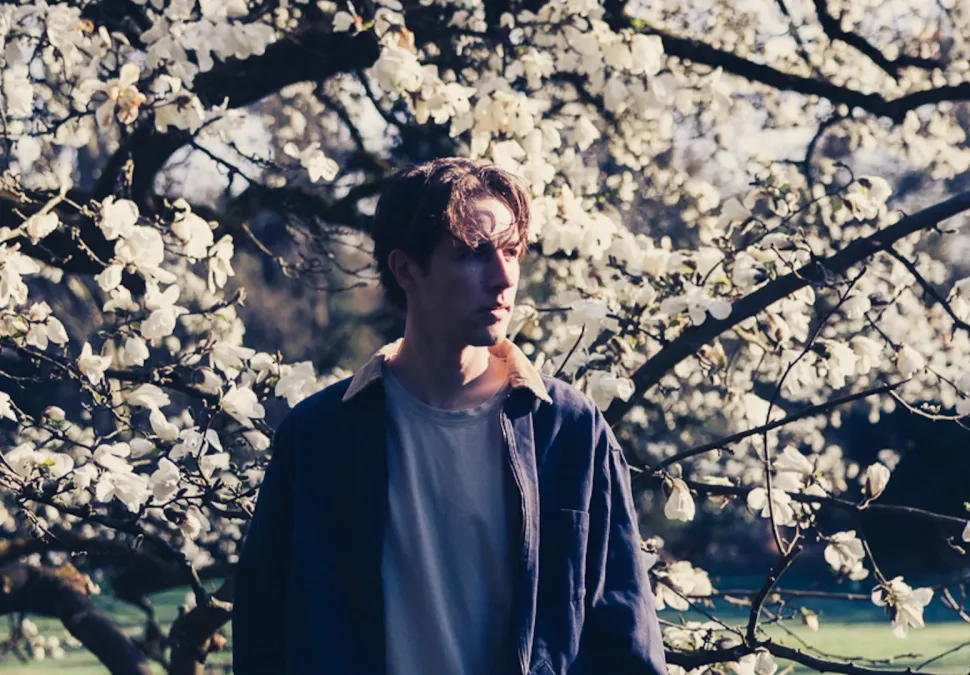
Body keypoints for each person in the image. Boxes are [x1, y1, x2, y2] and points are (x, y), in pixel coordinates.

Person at [232, 157, 667, 675]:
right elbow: (264, 634)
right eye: (473, 253)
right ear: (405, 270)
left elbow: (625, 639)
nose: (503, 277)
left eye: (512, 251)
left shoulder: (569, 431)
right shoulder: (319, 437)